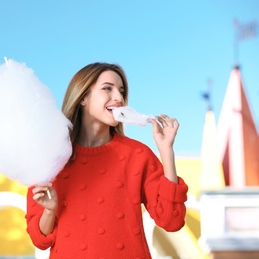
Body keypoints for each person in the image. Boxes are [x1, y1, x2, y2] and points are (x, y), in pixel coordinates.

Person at [25, 62, 188, 258]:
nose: (119, 98)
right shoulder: (51, 158)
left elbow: (171, 220)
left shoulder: (137, 155)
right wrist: (50, 211)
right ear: (83, 96)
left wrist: (166, 151)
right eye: (107, 89)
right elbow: (39, 240)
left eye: (121, 91)